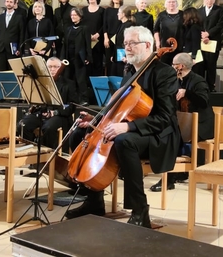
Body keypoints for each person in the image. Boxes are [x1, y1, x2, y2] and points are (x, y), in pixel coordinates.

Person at [66, 26, 180, 228]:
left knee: (124, 141)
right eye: (125, 43)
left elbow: (165, 116)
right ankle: (94, 200)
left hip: (158, 134)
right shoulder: (130, 74)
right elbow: (119, 112)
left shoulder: (164, 73)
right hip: (133, 130)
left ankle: (140, 210)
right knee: (80, 134)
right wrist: (95, 121)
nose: (127, 47)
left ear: (147, 45)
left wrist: (128, 128)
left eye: (132, 43)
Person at [150, 52, 214, 192]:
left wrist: (187, 93)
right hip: (185, 124)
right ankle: (177, 171)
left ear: (181, 66)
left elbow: (204, 102)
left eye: (173, 64)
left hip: (201, 125)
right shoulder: (176, 80)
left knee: (173, 138)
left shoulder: (198, 81)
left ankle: (169, 179)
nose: (172, 67)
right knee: (165, 132)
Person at [19, 57, 77, 149]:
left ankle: (47, 155)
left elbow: (72, 106)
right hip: (42, 113)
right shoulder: (40, 82)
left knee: (48, 127)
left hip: (60, 116)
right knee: (23, 124)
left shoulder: (69, 84)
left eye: (55, 67)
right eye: (49, 67)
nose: (52, 69)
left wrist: (55, 112)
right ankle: (31, 153)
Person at [60, 7, 92, 105]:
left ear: (80, 16)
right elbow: (65, 44)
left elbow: (87, 43)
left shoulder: (84, 28)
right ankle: (71, 98)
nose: (73, 17)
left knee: (80, 79)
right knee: (69, 79)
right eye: (72, 15)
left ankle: (84, 99)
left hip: (79, 57)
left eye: (75, 15)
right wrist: (62, 58)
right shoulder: (68, 29)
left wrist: (88, 57)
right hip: (68, 57)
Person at [198, 0, 223, 92]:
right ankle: (200, 87)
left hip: (213, 42)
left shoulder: (220, 10)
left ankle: (210, 87)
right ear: (204, 0)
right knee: (200, 65)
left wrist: (208, 34)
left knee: (211, 65)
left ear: (214, 0)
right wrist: (202, 35)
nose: (209, 1)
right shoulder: (199, 11)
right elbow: (197, 25)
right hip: (201, 42)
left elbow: (220, 25)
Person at [0, 0, 26, 71]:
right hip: (1, 49)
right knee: (1, 72)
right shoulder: (0, 17)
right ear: (5, 3)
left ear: (15, 4)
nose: (9, 3)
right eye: (7, 1)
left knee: (13, 72)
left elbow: (22, 34)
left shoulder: (19, 17)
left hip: (13, 50)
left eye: (11, 2)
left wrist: (19, 49)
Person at [153, 0, 183, 65]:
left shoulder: (182, 14)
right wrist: (157, 42)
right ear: (166, 4)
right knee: (164, 65)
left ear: (176, 3)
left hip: (179, 46)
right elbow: (155, 29)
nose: (171, 4)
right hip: (165, 46)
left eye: (173, 2)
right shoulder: (161, 15)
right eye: (169, 2)